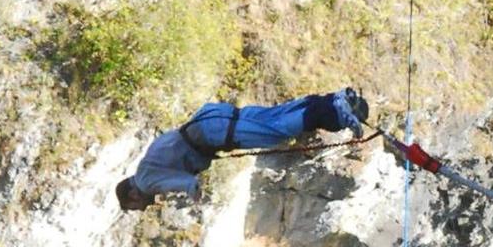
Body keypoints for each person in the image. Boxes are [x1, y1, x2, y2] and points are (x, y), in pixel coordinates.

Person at [116, 89, 369, 209]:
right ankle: (335, 99)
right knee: (275, 116)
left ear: (132, 196)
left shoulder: (146, 182)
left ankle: (335, 111)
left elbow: (185, 182)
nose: (143, 207)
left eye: (135, 206)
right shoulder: (146, 166)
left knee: (277, 132)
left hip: (211, 134)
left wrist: (196, 198)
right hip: (208, 118)